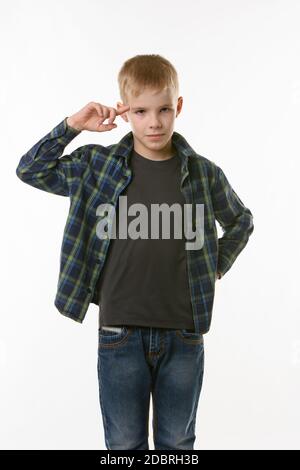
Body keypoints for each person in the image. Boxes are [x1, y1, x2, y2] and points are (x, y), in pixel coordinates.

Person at [16, 54, 254, 450]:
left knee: (177, 444)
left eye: (164, 109)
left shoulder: (203, 173)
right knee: (124, 444)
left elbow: (241, 220)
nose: (155, 122)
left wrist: (217, 263)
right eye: (141, 111)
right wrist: (74, 125)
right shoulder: (99, 166)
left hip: (184, 334)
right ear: (125, 112)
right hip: (119, 334)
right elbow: (31, 170)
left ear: (178, 107)